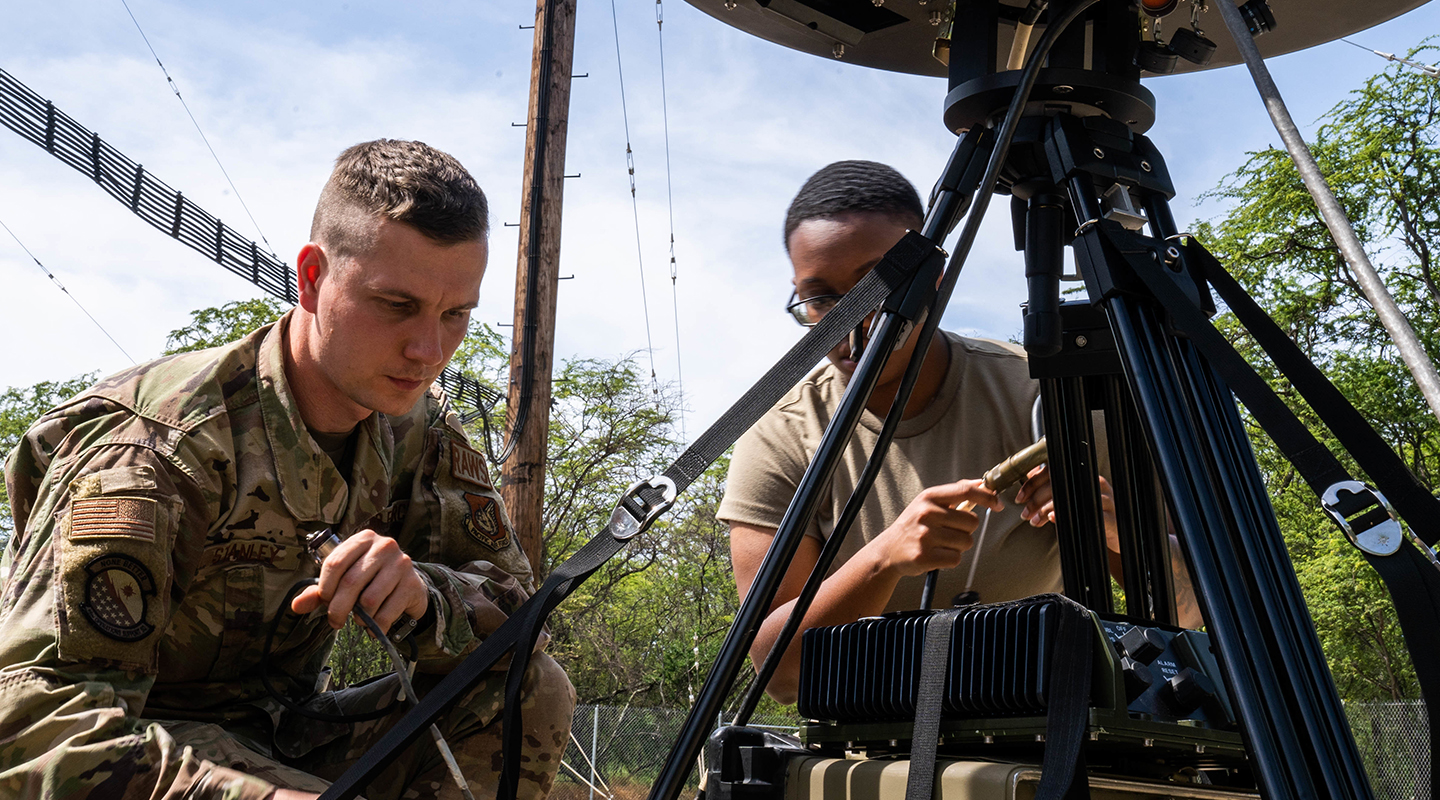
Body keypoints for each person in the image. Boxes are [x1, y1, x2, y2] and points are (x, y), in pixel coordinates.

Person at [0, 140, 575, 799]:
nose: (427, 350)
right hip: (143, 744)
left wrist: (424, 595)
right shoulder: (158, 444)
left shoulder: (421, 431)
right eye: (395, 305)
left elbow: (526, 620)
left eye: (455, 315)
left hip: (289, 731)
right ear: (310, 278)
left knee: (529, 687)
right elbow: (38, 725)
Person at [717, 160, 1199, 704]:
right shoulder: (779, 438)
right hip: (868, 758)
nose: (854, 323)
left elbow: (1189, 618)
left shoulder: (1047, 399)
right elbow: (779, 674)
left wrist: (1115, 531)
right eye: (823, 298)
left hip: (1045, 742)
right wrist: (884, 558)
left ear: (934, 279)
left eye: (877, 287)